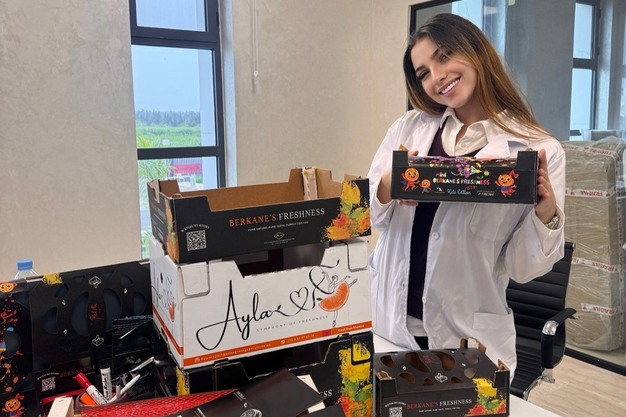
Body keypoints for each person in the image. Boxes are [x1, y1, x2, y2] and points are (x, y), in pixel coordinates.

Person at [367, 13, 565, 378]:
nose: (437, 77)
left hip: (468, 339)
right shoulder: (408, 130)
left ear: (476, 51)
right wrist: (386, 186)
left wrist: (545, 215)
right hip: (391, 324)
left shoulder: (537, 150)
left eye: (444, 57)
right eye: (423, 73)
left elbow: (523, 268)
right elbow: (368, 218)